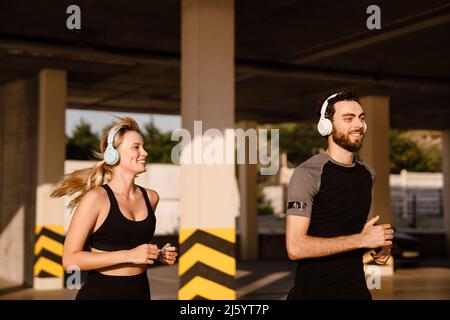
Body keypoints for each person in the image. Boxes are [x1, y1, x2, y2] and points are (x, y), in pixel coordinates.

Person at [51, 116, 177, 300]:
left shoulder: (151, 198)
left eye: (143, 146)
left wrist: (158, 254)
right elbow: (70, 260)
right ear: (114, 154)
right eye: (136, 147)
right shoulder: (96, 198)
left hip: (140, 293)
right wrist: (129, 255)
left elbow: (131, 243)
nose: (145, 152)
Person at [285, 91, 394, 300]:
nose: (358, 125)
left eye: (361, 118)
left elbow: (345, 229)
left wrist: (378, 243)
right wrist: (361, 240)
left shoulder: (367, 174)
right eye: (348, 118)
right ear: (326, 126)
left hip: (357, 292)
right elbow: (295, 247)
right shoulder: (307, 174)